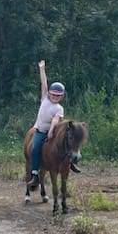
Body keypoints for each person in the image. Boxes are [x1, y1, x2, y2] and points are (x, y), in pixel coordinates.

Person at [26, 60, 67, 188]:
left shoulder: (59, 108)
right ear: (49, 93)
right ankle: (34, 174)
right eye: (53, 94)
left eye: (58, 96)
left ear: (61, 97)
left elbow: (55, 120)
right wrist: (42, 69)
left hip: (52, 133)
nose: (55, 97)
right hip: (40, 132)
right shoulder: (45, 99)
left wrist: (51, 131)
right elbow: (44, 83)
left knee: (68, 145)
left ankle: (69, 164)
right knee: (35, 149)